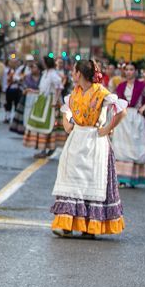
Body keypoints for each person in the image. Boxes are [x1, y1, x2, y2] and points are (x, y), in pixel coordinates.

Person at [50, 60, 127, 237]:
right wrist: (67, 123)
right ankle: (67, 225)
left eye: (74, 71)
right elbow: (66, 110)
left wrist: (107, 128)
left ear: (79, 74)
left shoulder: (101, 92)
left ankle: (89, 227)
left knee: (91, 181)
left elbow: (122, 111)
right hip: (77, 139)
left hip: (94, 139)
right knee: (72, 182)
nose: (72, 74)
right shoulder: (74, 93)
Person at [110, 63, 145, 188]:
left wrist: (144, 107)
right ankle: (121, 178)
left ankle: (133, 177)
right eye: (126, 69)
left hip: (136, 119)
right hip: (122, 119)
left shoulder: (142, 86)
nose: (129, 72)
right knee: (121, 149)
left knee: (135, 148)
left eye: (131, 69)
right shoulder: (120, 86)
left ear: (136, 71)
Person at [23, 56, 66, 158]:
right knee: (39, 125)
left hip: (50, 102)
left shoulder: (52, 74)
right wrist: (33, 91)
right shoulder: (45, 73)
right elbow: (43, 89)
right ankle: (45, 148)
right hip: (43, 101)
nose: (42, 63)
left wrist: (55, 101)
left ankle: (47, 148)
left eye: (43, 62)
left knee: (47, 126)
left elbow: (59, 87)